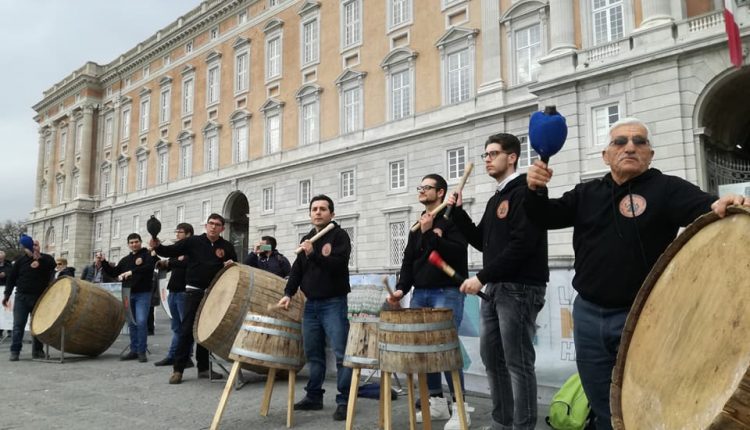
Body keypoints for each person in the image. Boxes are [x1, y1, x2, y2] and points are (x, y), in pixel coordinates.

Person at [524, 117, 750, 430]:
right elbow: (542, 216)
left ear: (650, 154)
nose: (630, 147)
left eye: (639, 141)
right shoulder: (586, 193)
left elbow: (705, 205)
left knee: (646, 401)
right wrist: (535, 189)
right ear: (606, 155)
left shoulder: (667, 188)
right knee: (602, 401)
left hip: (645, 317)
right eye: (620, 142)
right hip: (588, 315)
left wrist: (720, 202)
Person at [446, 133, 549, 430]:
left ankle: (522, 426)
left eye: (493, 154)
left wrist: (481, 277)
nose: (487, 159)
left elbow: (522, 245)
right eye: (485, 155)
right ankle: (501, 422)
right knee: (492, 359)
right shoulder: (496, 198)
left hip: (519, 287)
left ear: (512, 157)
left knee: (517, 363)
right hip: (496, 289)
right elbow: (482, 241)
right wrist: (459, 213)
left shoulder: (524, 192)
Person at [386, 174, 470, 429]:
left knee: (446, 349)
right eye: (419, 187)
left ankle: (460, 406)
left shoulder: (453, 220)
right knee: (424, 352)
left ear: (441, 192)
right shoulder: (417, 226)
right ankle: (435, 400)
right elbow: (409, 261)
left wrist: (431, 234)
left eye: (427, 187)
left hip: (447, 291)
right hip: (420, 293)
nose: (421, 191)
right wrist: (401, 289)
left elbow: (457, 252)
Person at [277, 195, 352, 422]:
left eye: (323, 209)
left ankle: (344, 401)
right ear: (310, 214)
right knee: (313, 353)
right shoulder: (307, 238)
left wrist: (314, 254)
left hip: (334, 302)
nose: (318, 212)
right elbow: (297, 270)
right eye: (314, 209)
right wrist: (288, 293)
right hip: (311, 305)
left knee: (341, 353)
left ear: (332, 214)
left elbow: (338, 265)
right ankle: (314, 395)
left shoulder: (339, 236)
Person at [150, 213, 236, 384]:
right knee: (186, 330)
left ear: (222, 228)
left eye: (217, 224)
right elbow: (170, 251)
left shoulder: (226, 246)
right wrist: (157, 246)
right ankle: (178, 370)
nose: (213, 227)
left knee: (206, 330)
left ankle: (203, 368)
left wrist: (231, 264)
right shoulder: (193, 241)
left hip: (214, 293)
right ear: (206, 226)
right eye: (211, 223)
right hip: (193, 291)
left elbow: (234, 263)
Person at [101, 233, 155, 363]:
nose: (134, 244)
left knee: (141, 321)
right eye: (131, 242)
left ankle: (141, 351)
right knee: (131, 322)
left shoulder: (147, 255)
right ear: (128, 244)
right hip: (127, 293)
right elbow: (114, 272)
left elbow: (149, 268)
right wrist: (103, 262)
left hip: (143, 293)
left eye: (136, 242)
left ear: (140, 242)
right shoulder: (125, 260)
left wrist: (132, 272)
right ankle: (134, 350)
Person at [3, 235, 55, 361]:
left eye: (36, 245)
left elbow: (52, 267)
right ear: (25, 248)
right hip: (22, 297)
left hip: (39, 297)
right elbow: (11, 279)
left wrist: (40, 259)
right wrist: (7, 295)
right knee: (18, 326)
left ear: (39, 247)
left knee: (38, 325)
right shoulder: (20, 261)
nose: (34, 248)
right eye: (32, 245)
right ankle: (15, 351)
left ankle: (38, 351)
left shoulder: (47, 259)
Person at [153, 223, 198, 368]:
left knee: (185, 327)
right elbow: (170, 262)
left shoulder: (192, 250)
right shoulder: (178, 251)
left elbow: (182, 263)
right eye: (176, 231)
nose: (177, 234)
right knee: (176, 327)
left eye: (180, 232)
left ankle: (182, 356)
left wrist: (170, 262)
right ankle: (176, 356)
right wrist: (162, 261)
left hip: (184, 293)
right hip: (173, 292)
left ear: (189, 234)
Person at [0, 251, 11, 338]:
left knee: (7, 309)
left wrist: (5, 274)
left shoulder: (8, 265)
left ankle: (9, 328)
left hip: (6, 289)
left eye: (1, 257)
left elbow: (12, 274)